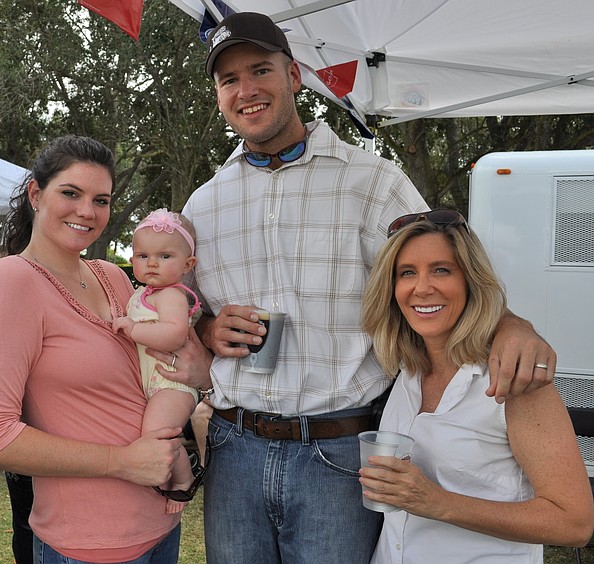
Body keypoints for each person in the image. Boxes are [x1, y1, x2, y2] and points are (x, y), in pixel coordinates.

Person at [151, 11, 558, 564]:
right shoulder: (205, 203)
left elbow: (446, 269)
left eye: (260, 70)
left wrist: (512, 323)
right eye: (229, 80)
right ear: (219, 95)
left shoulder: (372, 182)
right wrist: (204, 323)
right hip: (233, 446)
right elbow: (186, 305)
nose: (246, 90)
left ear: (294, 77)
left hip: (340, 453)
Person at [0, 135, 186, 563]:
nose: (87, 211)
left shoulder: (114, 277)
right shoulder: (13, 282)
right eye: (70, 193)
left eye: (101, 200)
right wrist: (121, 462)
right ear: (35, 194)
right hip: (88, 545)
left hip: (162, 526)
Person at [360, 209, 594, 562]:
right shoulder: (405, 370)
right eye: (407, 273)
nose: (422, 288)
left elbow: (573, 523)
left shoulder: (515, 379)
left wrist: (437, 502)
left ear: (470, 281)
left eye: (442, 270)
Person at [112, 208, 201, 514]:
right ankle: (169, 475)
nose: (151, 263)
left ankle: (183, 477)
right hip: (154, 384)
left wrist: (134, 329)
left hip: (172, 383)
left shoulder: (172, 295)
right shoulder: (143, 293)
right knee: (153, 428)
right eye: (142, 255)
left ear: (188, 264)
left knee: (158, 429)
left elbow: (175, 334)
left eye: (165, 256)